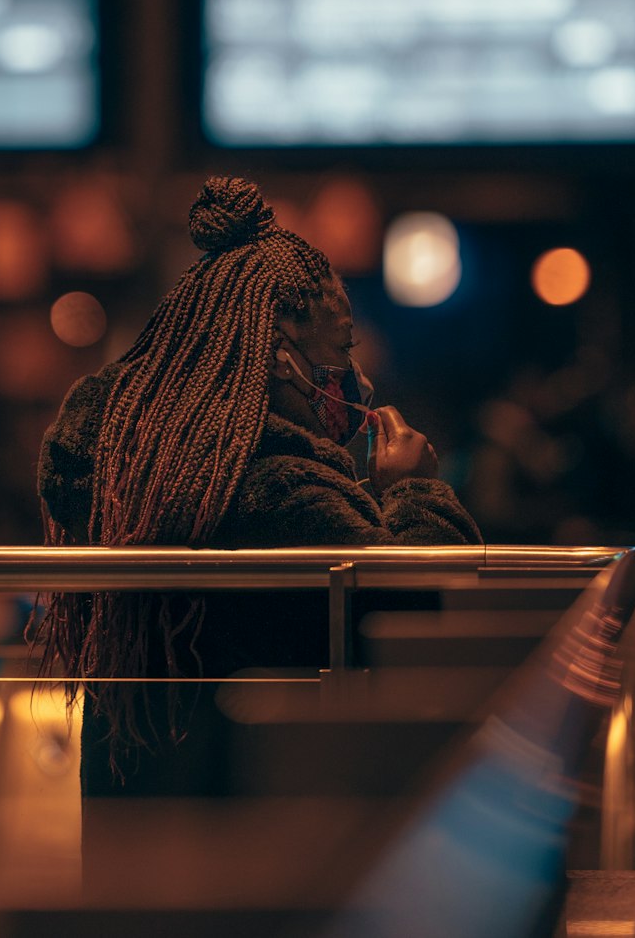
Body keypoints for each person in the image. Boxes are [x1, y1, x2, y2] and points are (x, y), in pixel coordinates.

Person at [37, 175, 481, 798]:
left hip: (137, 801)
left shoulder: (130, 468)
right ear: (278, 358)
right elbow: (418, 630)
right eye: (341, 347)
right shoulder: (286, 496)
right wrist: (415, 493)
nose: (354, 375)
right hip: (264, 810)